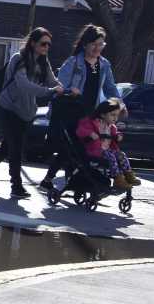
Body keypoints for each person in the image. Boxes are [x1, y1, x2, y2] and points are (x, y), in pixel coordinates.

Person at [0, 27, 64, 199]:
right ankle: (16, 186)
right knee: (16, 147)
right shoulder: (19, 59)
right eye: (43, 44)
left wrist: (64, 89)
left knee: (7, 147)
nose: (46, 47)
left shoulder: (44, 62)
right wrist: (50, 91)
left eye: (48, 45)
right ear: (33, 43)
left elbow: (53, 80)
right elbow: (23, 85)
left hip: (25, 111)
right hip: (8, 108)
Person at [40, 24, 122, 191]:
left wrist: (120, 104)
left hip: (90, 114)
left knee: (76, 149)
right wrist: (70, 91)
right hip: (71, 112)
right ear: (85, 44)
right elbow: (58, 87)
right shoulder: (73, 63)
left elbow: (110, 88)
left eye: (101, 45)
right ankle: (81, 181)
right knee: (74, 148)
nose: (98, 48)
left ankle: (56, 180)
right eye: (94, 44)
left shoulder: (104, 64)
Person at [76, 98, 140, 190]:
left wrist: (118, 136)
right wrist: (90, 133)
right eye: (112, 115)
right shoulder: (92, 122)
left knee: (121, 155)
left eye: (117, 115)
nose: (115, 118)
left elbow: (115, 134)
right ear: (102, 114)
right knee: (111, 155)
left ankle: (128, 174)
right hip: (95, 151)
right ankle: (117, 178)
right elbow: (80, 130)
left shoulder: (111, 127)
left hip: (107, 151)